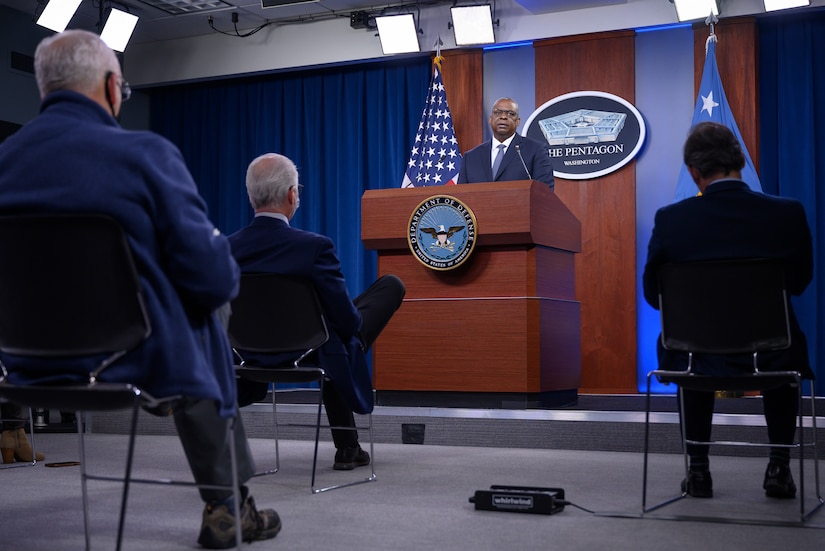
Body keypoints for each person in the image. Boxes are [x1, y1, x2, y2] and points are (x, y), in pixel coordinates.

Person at [0, 30, 279, 549]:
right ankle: (227, 502)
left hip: (20, 364)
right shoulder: (145, 154)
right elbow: (215, 278)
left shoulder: (4, 163)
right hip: (129, 360)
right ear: (111, 88)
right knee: (205, 312)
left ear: (45, 91)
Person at [642, 121, 814, 500]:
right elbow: (800, 283)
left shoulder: (672, 220)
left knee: (688, 347)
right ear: (739, 161)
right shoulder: (786, 213)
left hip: (695, 357)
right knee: (782, 349)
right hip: (772, 354)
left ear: (694, 172)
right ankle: (780, 468)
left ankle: (699, 471)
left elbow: (655, 297)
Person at [229, 153, 405, 470]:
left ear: (251, 195)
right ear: (292, 195)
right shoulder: (314, 247)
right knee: (382, 294)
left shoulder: (225, 249)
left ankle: (349, 448)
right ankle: (347, 447)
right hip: (311, 353)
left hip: (246, 356)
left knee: (331, 335)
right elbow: (347, 321)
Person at [458, 97, 554, 190]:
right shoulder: (471, 157)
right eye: (498, 112)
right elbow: (461, 196)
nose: (503, 117)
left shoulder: (535, 150)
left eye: (510, 114)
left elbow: (544, 193)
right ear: (490, 119)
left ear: (518, 121)